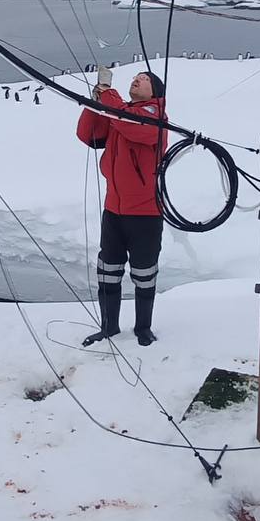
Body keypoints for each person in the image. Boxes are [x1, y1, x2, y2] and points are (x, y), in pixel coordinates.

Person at [76, 70, 168, 348]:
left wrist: (108, 95)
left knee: (143, 273)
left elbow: (132, 125)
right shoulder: (121, 114)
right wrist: (96, 105)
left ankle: (143, 328)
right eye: (135, 77)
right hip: (114, 210)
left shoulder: (155, 118)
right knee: (108, 269)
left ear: (155, 92)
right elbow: (89, 136)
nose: (136, 80)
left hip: (145, 213)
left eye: (144, 79)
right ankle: (109, 327)